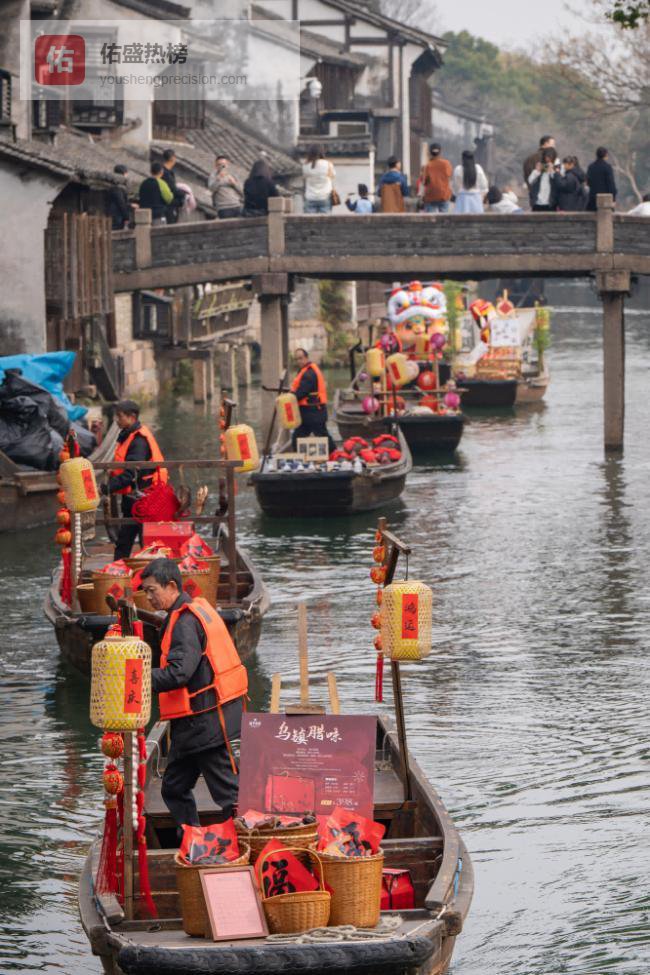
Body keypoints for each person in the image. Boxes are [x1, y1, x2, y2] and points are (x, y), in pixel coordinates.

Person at [142, 558, 247, 829]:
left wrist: (139, 677)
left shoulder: (185, 622)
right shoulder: (192, 611)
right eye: (146, 591)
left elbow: (179, 673)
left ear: (172, 586)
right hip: (194, 725)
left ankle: (243, 843)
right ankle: (193, 838)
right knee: (174, 788)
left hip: (204, 724)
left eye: (152, 590)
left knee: (229, 795)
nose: (149, 597)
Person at [102, 400, 167, 560]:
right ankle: (120, 570)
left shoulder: (138, 441)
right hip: (135, 499)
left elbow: (130, 474)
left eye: (120, 416)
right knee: (128, 540)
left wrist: (106, 488)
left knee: (142, 541)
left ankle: (127, 570)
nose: (117, 420)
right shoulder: (128, 435)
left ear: (132, 417)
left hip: (144, 500)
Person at [290, 348, 334, 451]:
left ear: (306, 357)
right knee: (298, 437)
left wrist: (289, 397)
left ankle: (335, 454)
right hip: (310, 413)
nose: (299, 361)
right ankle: (299, 458)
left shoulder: (309, 374)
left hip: (313, 413)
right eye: (297, 359)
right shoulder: (307, 370)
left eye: (301, 358)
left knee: (323, 436)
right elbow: (299, 390)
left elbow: (301, 393)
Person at [419, 142, 453, 213]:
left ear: (430, 152)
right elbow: (449, 175)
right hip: (444, 195)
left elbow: (424, 181)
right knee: (444, 219)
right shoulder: (446, 163)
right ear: (440, 152)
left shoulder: (428, 165)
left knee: (431, 219)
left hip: (430, 196)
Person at [208, 154, 243, 219]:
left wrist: (234, 184)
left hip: (236, 205)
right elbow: (211, 189)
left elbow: (242, 191)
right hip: (223, 208)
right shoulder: (213, 176)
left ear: (227, 164)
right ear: (216, 166)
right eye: (219, 164)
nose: (222, 166)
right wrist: (218, 179)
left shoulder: (233, 175)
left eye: (224, 164)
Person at [303, 144, 335, 214]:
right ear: (322, 152)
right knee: (325, 223)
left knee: (309, 223)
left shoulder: (305, 166)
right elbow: (333, 176)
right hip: (325, 196)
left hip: (310, 197)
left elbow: (304, 178)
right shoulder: (328, 164)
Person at [586, 147, 617, 211]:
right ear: (605, 155)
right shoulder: (607, 167)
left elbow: (588, 182)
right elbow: (611, 184)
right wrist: (613, 198)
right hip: (605, 200)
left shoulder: (591, 167)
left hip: (593, 199)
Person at [160, 149, 188, 223]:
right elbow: (172, 189)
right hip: (168, 205)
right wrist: (184, 194)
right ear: (172, 158)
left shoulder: (167, 172)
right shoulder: (165, 173)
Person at [109, 164, 131, 230]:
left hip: (116, 215)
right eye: (126, 173)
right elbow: (121, 203)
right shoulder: (117, 188)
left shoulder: (115, 186)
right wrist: (127, 217)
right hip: (117, 216)